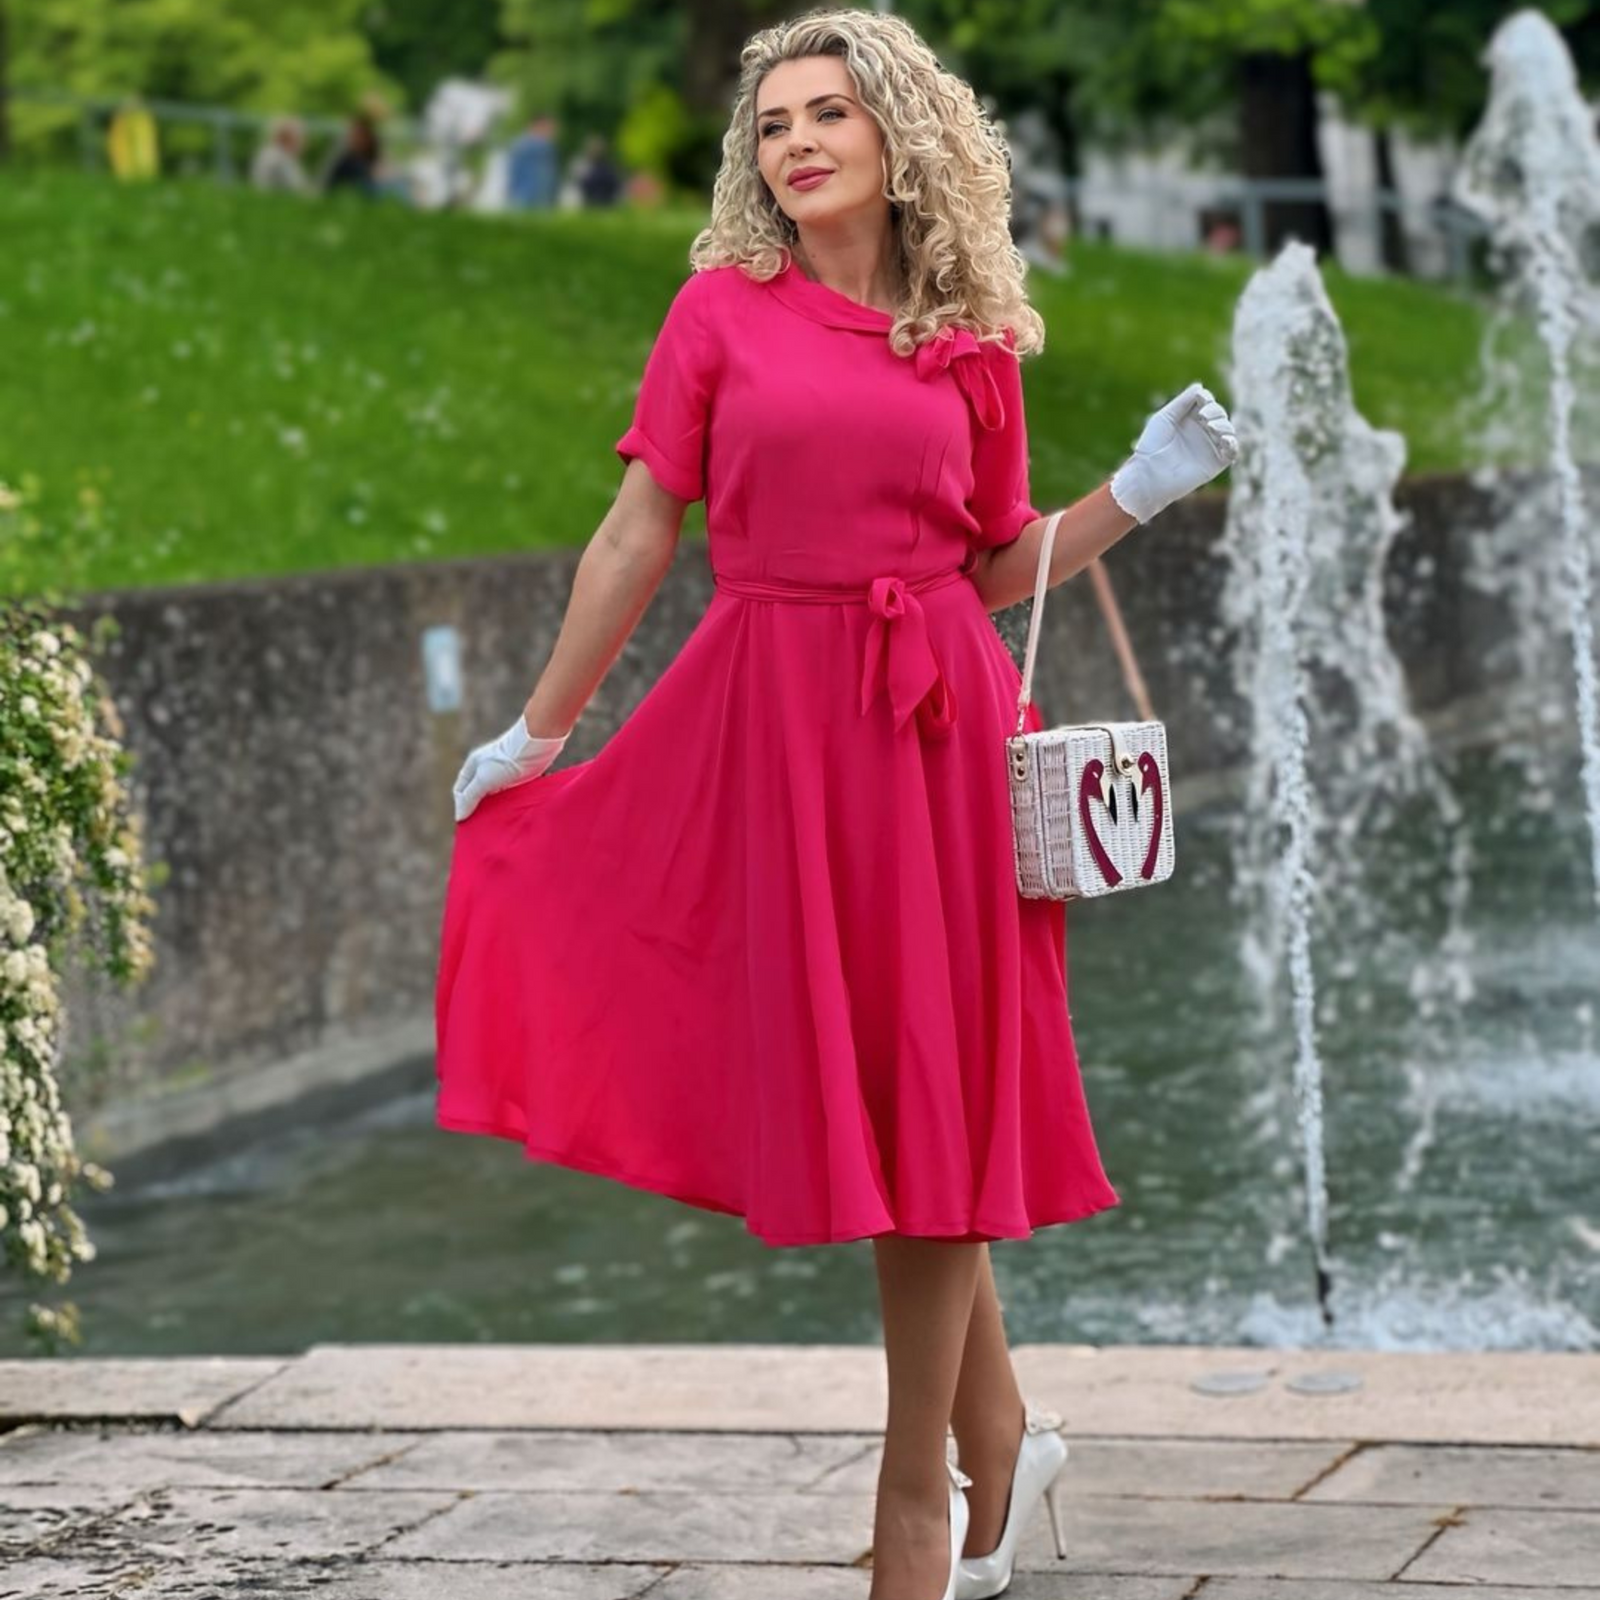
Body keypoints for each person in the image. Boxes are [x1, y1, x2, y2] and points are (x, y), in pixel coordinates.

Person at [435, 10, 1236, 1600]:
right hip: (771, 719)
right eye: (775, 122)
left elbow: (992, 562)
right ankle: (994, 1447)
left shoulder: (974, 338)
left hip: (933, 734)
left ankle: (919, 1499)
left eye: (829, 114)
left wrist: (1132, 498)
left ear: (898, 137)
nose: (796, 142)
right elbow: (633, 537)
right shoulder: (720, 312)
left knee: (922, 1090)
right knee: (877, 1084)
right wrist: (534, 736)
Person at [506, 113, 560, 208]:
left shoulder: (548, 147)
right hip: (526, 198)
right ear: (538, 126)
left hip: (541, 198)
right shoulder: (524, 146)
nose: (552, 132)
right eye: (549, 128)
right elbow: (515, 172)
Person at [322, 113, 381, 197]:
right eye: (352, 134)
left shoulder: (371, 161)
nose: (352, 138)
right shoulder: (347, 162)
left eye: (357, 135)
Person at [250, 117, 310, 195]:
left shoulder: (271, 153)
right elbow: (299, 191)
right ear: (287, 138)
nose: (305, 143)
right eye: (301, 138)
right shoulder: (280, 159)